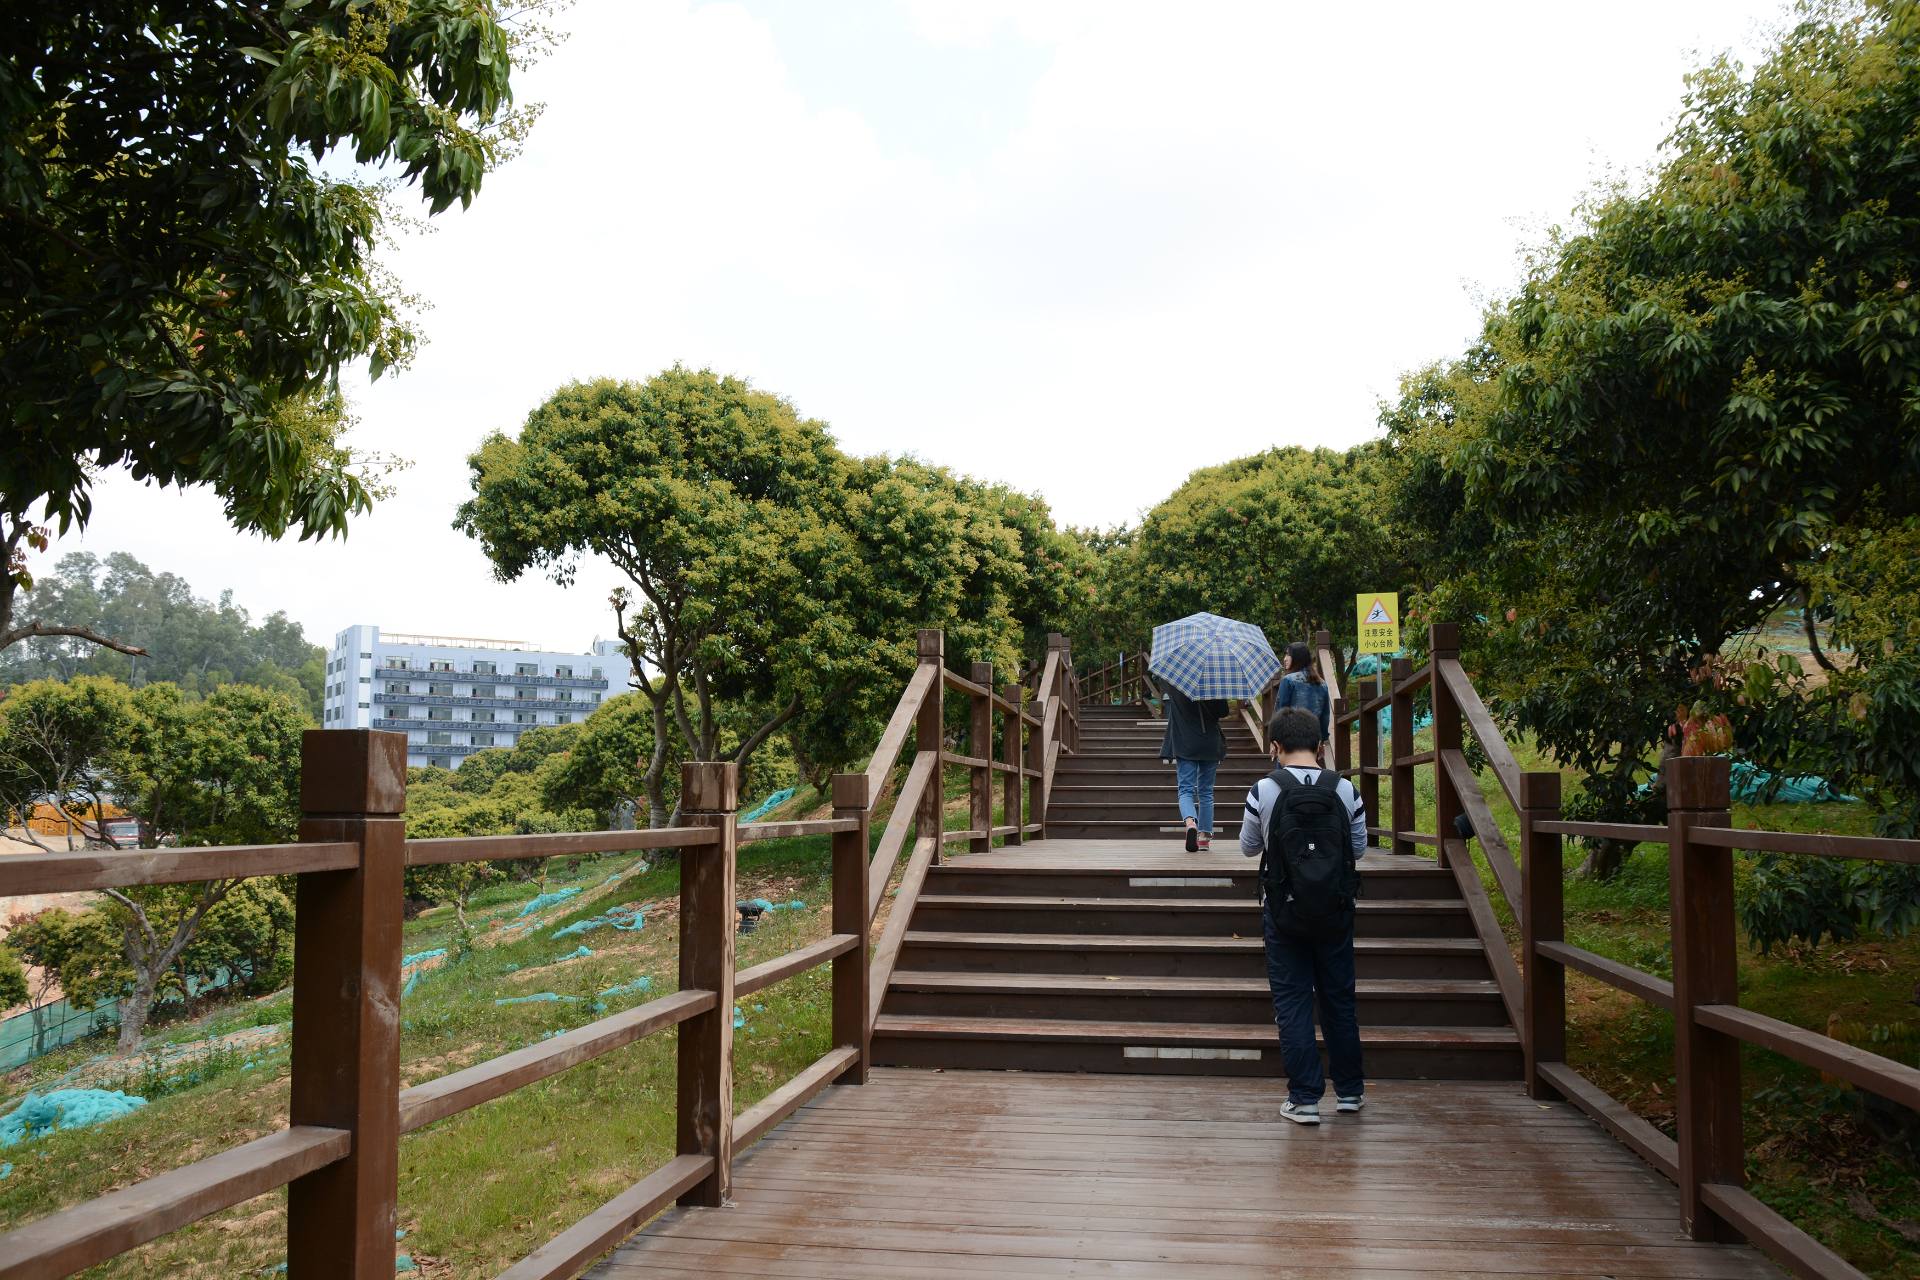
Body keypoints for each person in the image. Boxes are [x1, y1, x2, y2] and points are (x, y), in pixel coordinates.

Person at [1240, 705, 1368, 1124]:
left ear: (1275, 746)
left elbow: (1249, 847)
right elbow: (1360, 848)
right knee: (1338, 999)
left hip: (1284, 911)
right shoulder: (1345, 789)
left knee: (1293, 1001)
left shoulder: (1263, 789)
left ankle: (1305, 1098)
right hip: (1335, 910)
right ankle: (1349, 1092)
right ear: (1320, 745)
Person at [1158, 679, 1229, 852]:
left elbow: (1161, 685)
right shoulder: (1215, 683)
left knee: (1186, 790)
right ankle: (1204, 836)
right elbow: (1224, 712)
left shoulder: (1175, 684)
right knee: (1206, 791)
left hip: (1185, 743)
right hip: (1210, 743)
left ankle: (1190, 823)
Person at [1272, 641, 1330, 758]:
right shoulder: (1322, 684)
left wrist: (1274, 740)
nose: (1285, 659)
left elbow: (1281, 712)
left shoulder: (1288, 680)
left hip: (1290, 740)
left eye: (1288, 655)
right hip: (1312, 741)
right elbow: (1325, 716)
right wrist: (1322, 740)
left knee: (1286, 774)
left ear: (1297, 658)